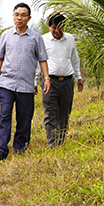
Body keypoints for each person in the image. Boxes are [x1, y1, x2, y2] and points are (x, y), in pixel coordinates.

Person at [0, 3, 50, 160]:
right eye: (17, 14)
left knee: (24, 117)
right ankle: (1, 148)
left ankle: (20, 147)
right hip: (7, 83)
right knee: (5, 114)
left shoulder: (36, 38)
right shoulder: (6, 35)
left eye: (23, 15)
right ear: (13, 16)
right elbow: (0, 58)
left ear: (29, 18)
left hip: (26, 85)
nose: (19, 17)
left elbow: (43, 60)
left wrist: (46, 79)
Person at [38, 13, 83, 146]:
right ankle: (52, 142)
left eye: (60, 27)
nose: (57, 31)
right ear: (49, 27)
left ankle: (60, 140)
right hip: (49, 81)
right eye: (54, 28)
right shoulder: (43, 39)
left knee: (65, 112)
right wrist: (35, 81)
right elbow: (38, 61)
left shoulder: (70, 38)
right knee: (50, 111)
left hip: (67, 81)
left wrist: (78, 78)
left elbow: (75, 59)